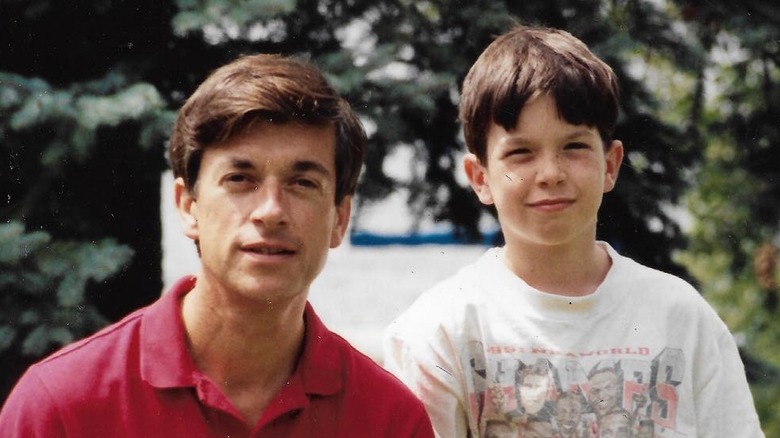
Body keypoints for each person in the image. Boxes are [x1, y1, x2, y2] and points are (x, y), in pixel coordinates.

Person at [0, 53, 434, 437]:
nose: (271, 210)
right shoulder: (60, 408)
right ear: (187, 205)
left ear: (339, 219)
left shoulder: (389, 420)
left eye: (302, 182)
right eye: (240, 179)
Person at [382, 25, 764, 437]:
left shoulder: (681, 318)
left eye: (574, 146)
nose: (550, 174)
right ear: (480, 177)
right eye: (520, 153)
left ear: (611, 164)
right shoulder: (440, 330)